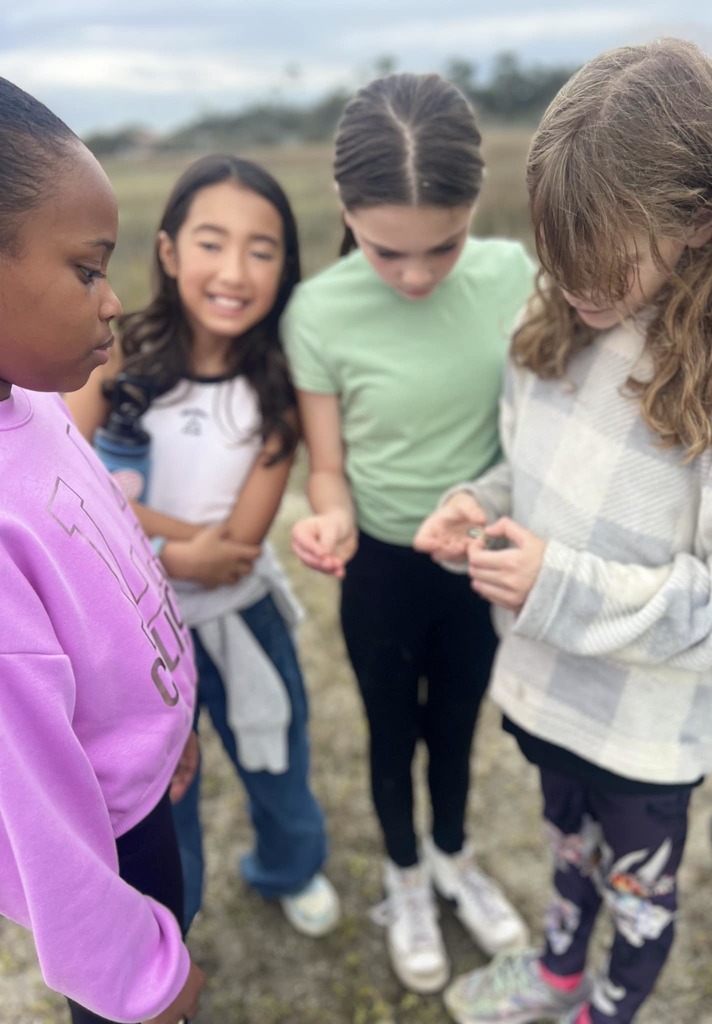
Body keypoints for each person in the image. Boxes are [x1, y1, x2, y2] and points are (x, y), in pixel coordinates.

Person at [414, 38, 712, 1024]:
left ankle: (604, 1011)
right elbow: (527, 470)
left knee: (639, 895)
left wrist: (558, 583)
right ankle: (559, 975)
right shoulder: (559, 311)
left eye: (602, 264)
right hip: (544, 686)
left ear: (699, 219)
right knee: (565, 849)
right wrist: (479, 503)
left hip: (645, 731)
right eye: (556, 257)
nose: (574, 288)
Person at [283, 72, 536, 993]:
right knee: (392, 731)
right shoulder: (317, 312)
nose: (419, 275)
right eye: (388, 252)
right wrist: (332, 514)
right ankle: (405, 878)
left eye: (445, 244)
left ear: (478, 211)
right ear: (345, 209)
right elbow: (326, 466)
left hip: (477, 557)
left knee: (461, 724)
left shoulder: (516, 275)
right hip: (381, 565)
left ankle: (455, 859)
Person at [67, 155, 340, 939]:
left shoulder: (280, 387)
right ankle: (167, 921)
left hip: (240, 618)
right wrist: (178, 547)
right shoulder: (109, 357)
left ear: (287, 264)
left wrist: (139, 521)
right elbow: (70, 497)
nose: (235, 271)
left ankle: (290, 866)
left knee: (275, 754)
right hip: (133, 638)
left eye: (263, 249)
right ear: (167, 251)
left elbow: (238, 551)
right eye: (211, 243)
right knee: (161, 792)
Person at [0, 78, 203, 1024]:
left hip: (147, 787)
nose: (114, 300)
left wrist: (168, 720)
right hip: (109, 847)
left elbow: (114, 581)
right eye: (88, 269)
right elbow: (32, 807)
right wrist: (136, 980)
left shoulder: (32, 403)